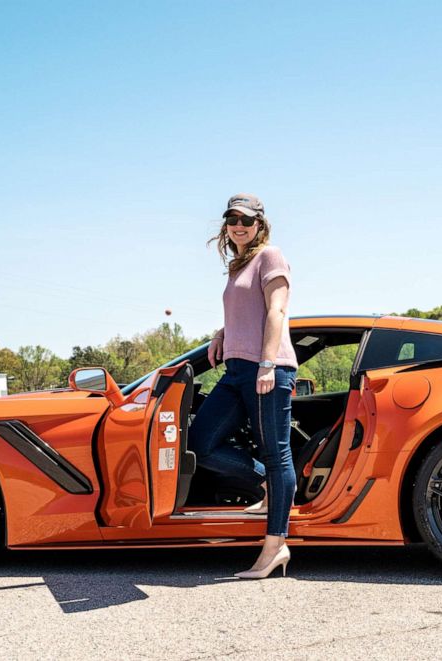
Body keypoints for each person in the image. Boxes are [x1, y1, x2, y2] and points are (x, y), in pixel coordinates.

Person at [189, 192, 299, 579]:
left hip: (266, 368)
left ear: (260, 224)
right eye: (233, 219)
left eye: (246, 220)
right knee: (200, 443)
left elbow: (276, 310)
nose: (239, 225)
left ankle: (275, 546)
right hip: (235, 370)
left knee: (276, 454)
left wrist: (267, 364)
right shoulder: (240, 264)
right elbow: (246, 310)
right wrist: (223, 333)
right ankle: (269, 487)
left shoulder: (271, 256)